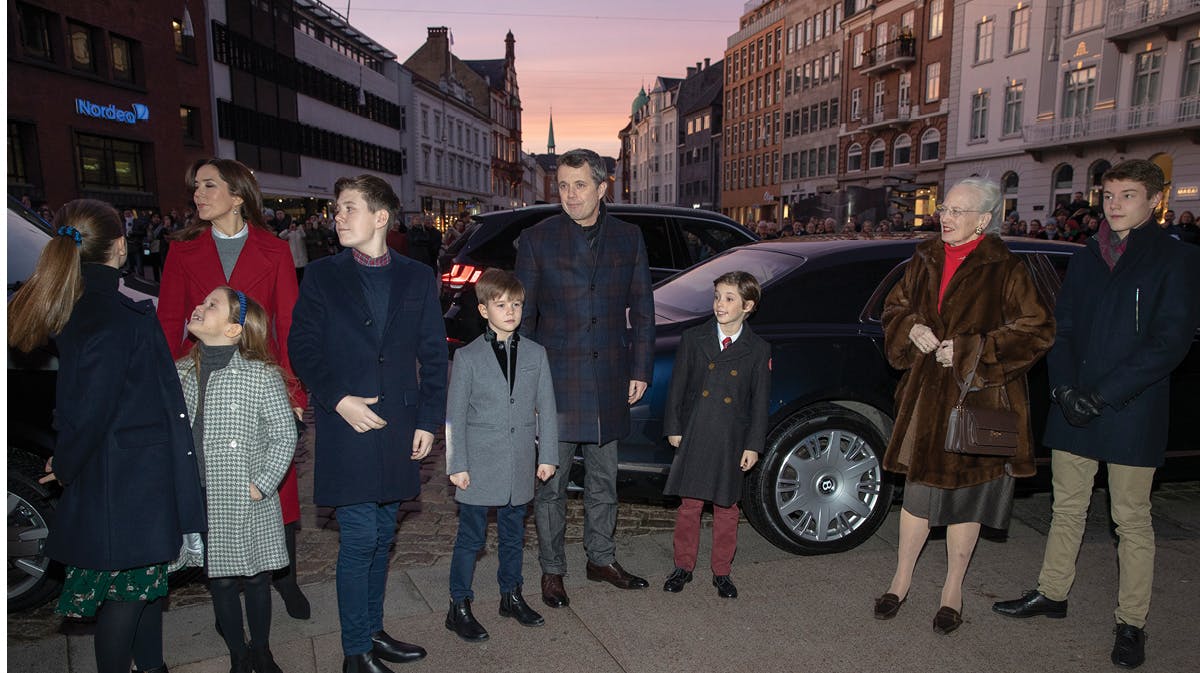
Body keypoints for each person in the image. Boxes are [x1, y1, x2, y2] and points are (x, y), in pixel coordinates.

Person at [992, 160, 1200, 669]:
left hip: (1131, 407)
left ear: (1154, 200)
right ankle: (1052, 594)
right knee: (1067, 509)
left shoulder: (1176, 259)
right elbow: (1062, 327)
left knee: (1130, 519)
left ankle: (1132, 623)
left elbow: (1168, 343)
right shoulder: (1087, 255)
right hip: (1074, 405)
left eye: (1127, 195)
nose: (1114, 204)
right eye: (1108, 195)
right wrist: (1063, 388)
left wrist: (1102, 395)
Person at [8, 200, 206, 673]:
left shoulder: (83, 305)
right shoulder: (113, 315)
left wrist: (70, 456)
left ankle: (152, 666)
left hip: (124, 471)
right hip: (129, 480)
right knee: (125, 599)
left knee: (146, 587)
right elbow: (91, 406)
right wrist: (69, 459)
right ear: (120, 246)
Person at [876, 177, 1055, 635]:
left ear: (984, 221)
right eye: (944, 208)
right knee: (917, 495)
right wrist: (911, 327)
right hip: (926, 395)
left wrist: (973, 349)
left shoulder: (1007, 268)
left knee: (968, 498)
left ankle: (952, 589)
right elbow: (894, 308)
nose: (945, 217)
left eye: (957, 211)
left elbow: (1037, 330)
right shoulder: (925, 256)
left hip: (982, 398)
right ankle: (900, 580)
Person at [289, 174, 446, 673]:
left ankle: (372, 632)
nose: (338, 216)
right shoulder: (321, 275)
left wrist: (428, 420)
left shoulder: (418, 277)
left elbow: (434, 356)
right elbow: (303, 349)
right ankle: (354, 651)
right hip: (346, 426)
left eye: (349, 208)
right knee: (359, 537)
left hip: (399, 423)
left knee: (382, 532)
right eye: (337, 208)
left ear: (381, 216)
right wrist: (338, 401)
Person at [157, 158, 311, 620]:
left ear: (238, 194)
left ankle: (284, 577)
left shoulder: (275, 251)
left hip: (262, 383)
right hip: (205, 383)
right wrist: (168, 396)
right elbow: (169, 325)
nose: (198, 194)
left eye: (208, 185)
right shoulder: (182, 252)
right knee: (216, 489)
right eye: (195, 186)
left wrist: (295, 395)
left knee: (275, 488)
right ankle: (226, 584)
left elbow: (288, 325)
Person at [514, 148, 655, 608]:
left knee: (604, 480)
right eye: (563, 186)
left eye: (579, 185)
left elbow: (644, 310)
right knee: (551, 484)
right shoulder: (537, 240)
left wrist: (640, 368)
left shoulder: (629, 237)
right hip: (556, 382)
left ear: (602, 187)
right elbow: (524, 320)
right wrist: (528, 383)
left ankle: (601, 559)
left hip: (610, 377)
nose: (570, 195)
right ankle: (553, 571)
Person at [178, 288, 297, 673]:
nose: (199, 305)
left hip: (247, 496)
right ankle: (237, 653)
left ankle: (261, 649)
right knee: (222, 581)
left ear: (233, 329)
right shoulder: (180, 373)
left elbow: (284, 435)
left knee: (258, 577)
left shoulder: (259, 376)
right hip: (201, 494)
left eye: (212, 304)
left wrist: (262, 483)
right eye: (203, 301)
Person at [443, 269, 558, 641]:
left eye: (517, 304)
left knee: (513, 535)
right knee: (471, 538)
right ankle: (458, 604)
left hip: (519, 463)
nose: (510, 311)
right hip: (478, 464)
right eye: (501, 304)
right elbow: (455, 415)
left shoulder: (536, 354)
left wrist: (548, 455)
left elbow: (546, 407)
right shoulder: (468, 357)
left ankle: (511, 594)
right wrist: (457, 464)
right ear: (483, 309)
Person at [661, 271, 770, 599]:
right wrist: (674, 427)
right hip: (696, 431)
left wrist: (753, 444)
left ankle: (722, 571)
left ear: (747, 306)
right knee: (689, 504)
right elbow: (677, 388)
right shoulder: (694, 338)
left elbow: (759, 402)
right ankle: (683, 566)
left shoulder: (757, 349)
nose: (719, 304)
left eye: (729, 298)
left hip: (730, 439)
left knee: (726, 507)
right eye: (717, 296)